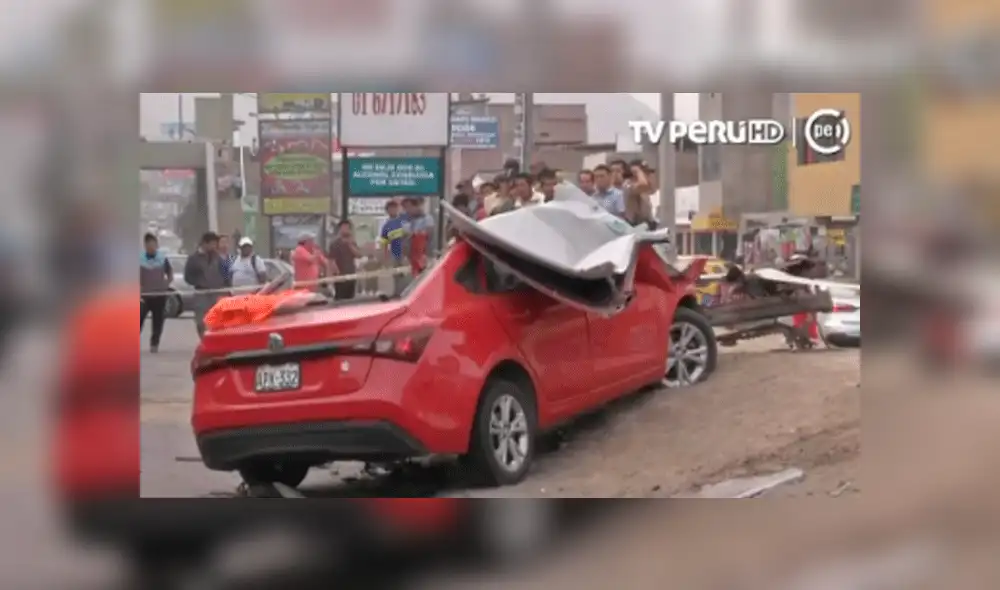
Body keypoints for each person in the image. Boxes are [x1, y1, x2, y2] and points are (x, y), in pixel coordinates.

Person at [184, 232, 230, 339]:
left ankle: (215, 341)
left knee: (217, 320)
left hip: (216, 293)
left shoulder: (217, 258)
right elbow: (187, 277)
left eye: (215, 244)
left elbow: (225, 275)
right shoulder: (194, 259)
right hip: (201, 294)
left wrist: (226, 289)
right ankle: (204, 340)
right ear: (205, 243)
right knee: (201, 322)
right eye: (212, 244)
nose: (214, 246)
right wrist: (199, 282)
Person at [140, 232, 173, 353]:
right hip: (144, 296)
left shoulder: (162, 259)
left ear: (157, 245)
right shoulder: (139, 259)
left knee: (158, 321)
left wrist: (166, 284)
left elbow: (170, 273)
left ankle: (154, 343)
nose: (151, 247)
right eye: (149, 244)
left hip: (159, 295)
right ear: (145, 245)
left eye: (153, 244)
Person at [328, 220, 360, 300]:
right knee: (340, 298)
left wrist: (350, 244)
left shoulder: (352, 242)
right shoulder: (335, 243)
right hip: (340, 276)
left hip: (351, 274)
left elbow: (358, 255)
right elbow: (331, 260)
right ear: (340, 229)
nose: (346, 230)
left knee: (350, 298)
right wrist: (335, 272)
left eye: (348, 228)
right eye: (344, 227)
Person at [403, 197, 434, 277]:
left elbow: (429, 235)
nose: (407, 210)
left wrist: (414, 234)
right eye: (405, 208)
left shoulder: (427, 218)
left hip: (424, 256)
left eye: (409, 207)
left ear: (416, 206)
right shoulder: (408, 220)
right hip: (412, 257)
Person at [625, 163, 656, 228]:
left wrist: (650, 176)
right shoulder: (627, 184)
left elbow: (653, 190)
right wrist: (638, 171)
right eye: (645, 172)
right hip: (634, 225)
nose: (647, 175)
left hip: (647, 223)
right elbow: (643, 185)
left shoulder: (645, 186)